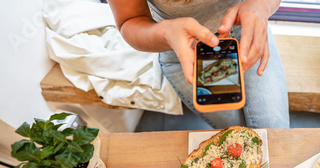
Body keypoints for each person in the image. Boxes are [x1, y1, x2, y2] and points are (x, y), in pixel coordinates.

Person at [107, 0, 290, 129]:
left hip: (246, 32)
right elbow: (129, 20)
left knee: (274, 131)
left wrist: (261, 5)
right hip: (183, 50)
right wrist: (166, 33)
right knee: (237, 133)